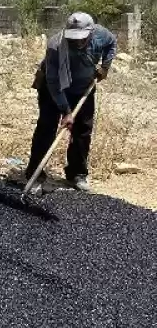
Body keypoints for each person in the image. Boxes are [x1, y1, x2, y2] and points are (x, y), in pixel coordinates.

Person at [25, 11, 117, 192]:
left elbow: (112, 43)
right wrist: (66, 111)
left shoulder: (102, 35)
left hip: (83, 88)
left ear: (91, 32)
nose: (77, 42)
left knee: (83, 130)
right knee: (47, 128)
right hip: (54, 89)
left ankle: (77, 173)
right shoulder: (55, 46)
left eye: (82, 38)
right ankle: (35, 173)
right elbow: (53, 81)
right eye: (73, 38)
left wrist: (105, 66)